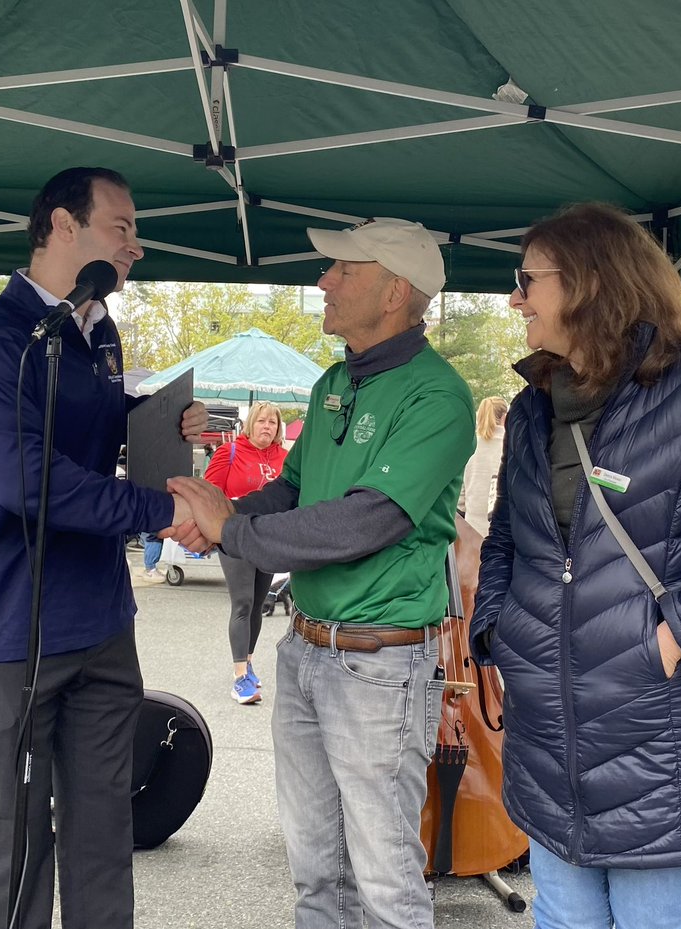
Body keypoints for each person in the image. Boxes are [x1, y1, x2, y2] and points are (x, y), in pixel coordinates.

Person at [468, 203, 681, 929]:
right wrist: (494, 630)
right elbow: (505, 541)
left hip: (658, 726)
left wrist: (670, 635)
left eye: (527, 279)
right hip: (545, 729)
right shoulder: (532, 408)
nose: (515, 298)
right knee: (562, 917)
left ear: (587, 281)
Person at [168, 217, 474, 929]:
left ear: (395, 291)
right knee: (315, 875)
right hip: (307, 648)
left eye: (344, 269)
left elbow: (365, 521)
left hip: (380, 664)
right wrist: (221, 508)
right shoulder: (334, 380)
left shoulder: (438, 396)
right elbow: (295, 493)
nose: (323, 281)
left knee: (384, 879)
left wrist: (233, 529)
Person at [0, 166, 206, 929]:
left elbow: (84, 421)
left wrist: (152, 419)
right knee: (17, 852)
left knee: (102, 838)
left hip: (100, 626)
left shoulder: (101, 332)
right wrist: (164, 510)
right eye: (121, 228)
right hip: (6, 633)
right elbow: (31, 480)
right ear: (63, 225)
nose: (136, 248)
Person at [202, 400, 287, 704]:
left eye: (273, 423)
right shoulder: (231, 452)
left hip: (268, 539)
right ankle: (240, 678)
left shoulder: (285, 458)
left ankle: (248, 663)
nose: (267, 427)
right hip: (235, 536)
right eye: (262, 421)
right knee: (242, 603)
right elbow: (209, 495)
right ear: (251, 424)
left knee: (258, 604)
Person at [458, 395, 507, 536]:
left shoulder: (468, 447)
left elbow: (460, 498)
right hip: (503, 535)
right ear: (505, 417)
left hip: (472, 531)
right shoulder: (512, 447)